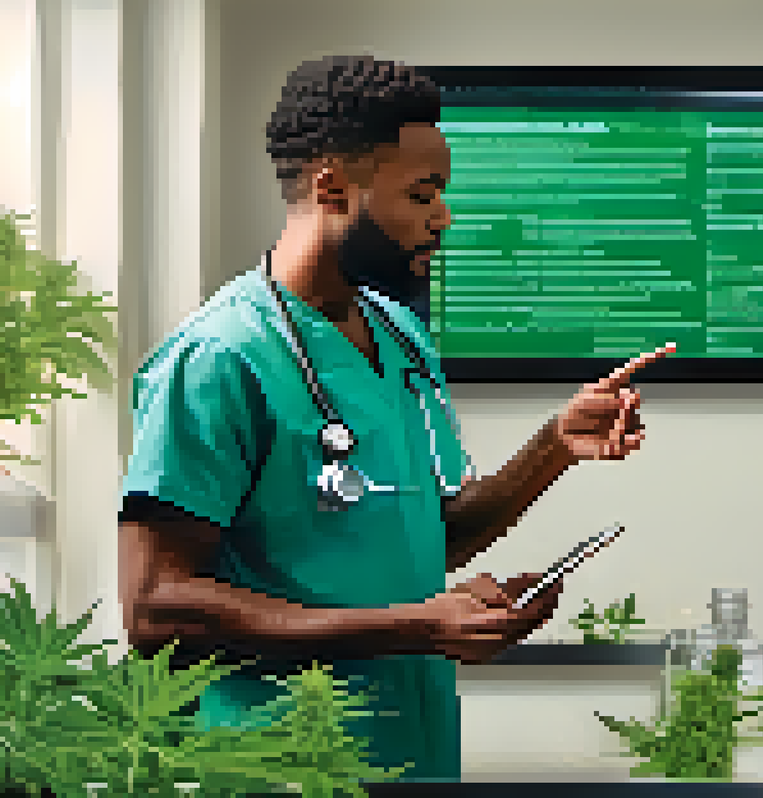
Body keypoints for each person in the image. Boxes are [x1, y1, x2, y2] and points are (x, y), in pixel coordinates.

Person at [117, 55, 671, 783]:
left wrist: (553, 447)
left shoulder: (400, 336)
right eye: (423, 193)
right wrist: (420, 625)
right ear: (333, 188)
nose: (442, 216)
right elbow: (157, 609)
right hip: (278, 765)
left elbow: (425, 538)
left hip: (412, 757)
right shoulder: (219, 358)